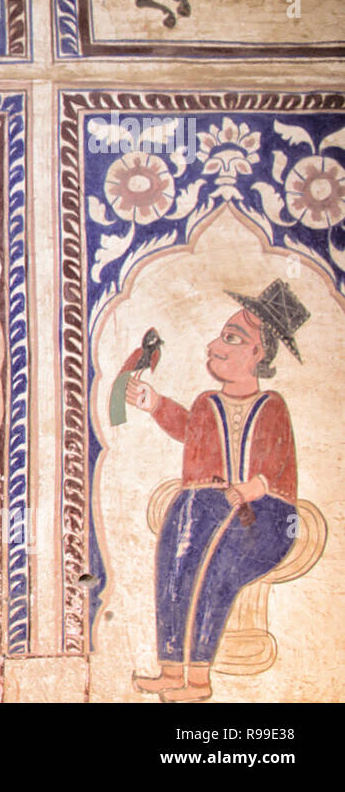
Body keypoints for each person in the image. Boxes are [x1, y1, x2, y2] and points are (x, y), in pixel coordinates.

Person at [126, 279, 307, 702]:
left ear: (258, 354)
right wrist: (155, 404)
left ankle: (199, 680)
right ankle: (172, 669)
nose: (215, 345)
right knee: (177, 541)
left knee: (216, 564)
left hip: (267, 514)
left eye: (231, 338)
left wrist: (252, 486)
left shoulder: (273, 405)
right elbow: (190, 431)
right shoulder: (208, 402)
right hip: (214, 506)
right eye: (220, 335)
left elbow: (277, 463)